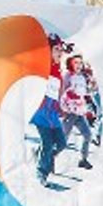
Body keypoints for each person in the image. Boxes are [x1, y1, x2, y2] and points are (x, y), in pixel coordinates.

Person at [31, 35, 70, 186]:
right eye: (56, 49)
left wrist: (60, 107)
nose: (60, 53)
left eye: (61, 50)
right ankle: (41, 172)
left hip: (52, 114)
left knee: (61, 144)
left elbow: (58, 92)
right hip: (41, 113)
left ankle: (41, 155)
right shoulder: (41, 68)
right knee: (47, 143)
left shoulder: (58, 71)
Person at [60, 54, 97, 170]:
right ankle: (47, 158)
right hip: (69, 113)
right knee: (62, 140)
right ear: (70, 63)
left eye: (80, 63)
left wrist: (92, 84)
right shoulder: (67, 76)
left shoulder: (82, 77)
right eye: (76, 62)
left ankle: (83, 159)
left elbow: (87, 92)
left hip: (80, 113)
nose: (79, 65)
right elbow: (61, 92)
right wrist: (62, 109)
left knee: (88, 135)